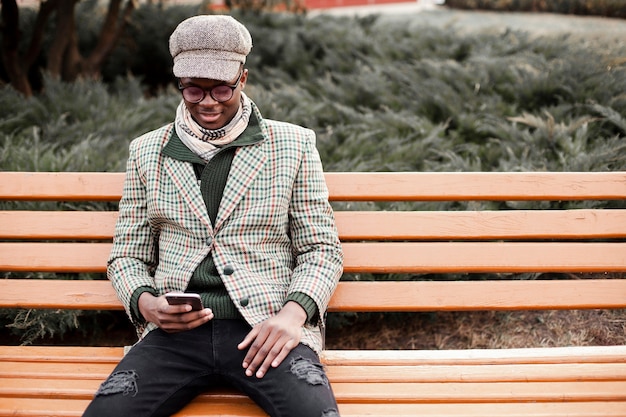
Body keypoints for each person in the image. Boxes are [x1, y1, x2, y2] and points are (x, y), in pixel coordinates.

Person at [83, 14, 343, 417]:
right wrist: (146, 303)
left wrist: (293, 316)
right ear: (179, 85)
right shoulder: (147, 152)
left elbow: (322, 249)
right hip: (175, 336)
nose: (208, 102)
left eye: (221, 88)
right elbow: (126, 256)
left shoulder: (293, 144)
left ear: (243, 78)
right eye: (193, 90)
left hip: (267, 327)